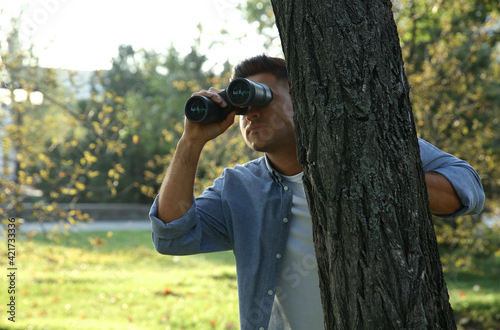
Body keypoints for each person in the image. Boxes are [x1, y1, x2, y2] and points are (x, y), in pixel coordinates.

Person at [149, 55, 485, 330]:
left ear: (302, 98)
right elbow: (172, 236)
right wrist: (191, 142)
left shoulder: (370, 146)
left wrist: (373, 173)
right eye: (241, 108)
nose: (250, 113)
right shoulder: (239, 188)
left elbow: (467, 188)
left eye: (261, 98)